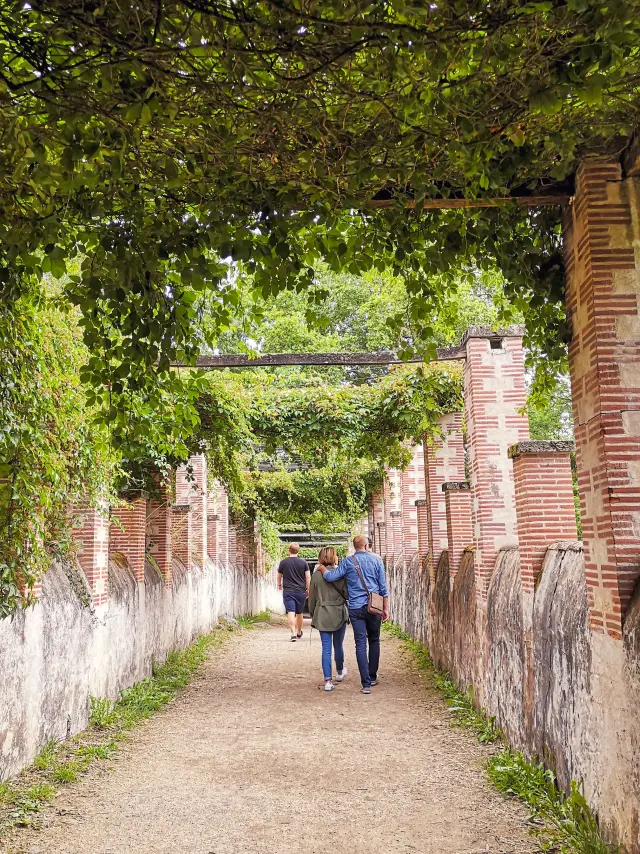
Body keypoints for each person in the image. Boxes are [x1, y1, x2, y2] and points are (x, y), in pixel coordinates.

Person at [317, 534, 389, 694]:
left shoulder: (348, 561)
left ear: (355, 546)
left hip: (356, 608)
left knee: (360, 644)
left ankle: (365, 684)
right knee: (375, 640)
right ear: (365, 545)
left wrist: (322, 569)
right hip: (374, 606)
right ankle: (372, 676)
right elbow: (383, 587)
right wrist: (386, 608)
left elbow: (331, 577)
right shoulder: (377, 560)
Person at [308, 547, 349, 692]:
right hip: (338, 613)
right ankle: (339, 672)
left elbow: (312, 597)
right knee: (338, 645)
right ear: (335, 558)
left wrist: (314, 613)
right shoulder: (341, 574)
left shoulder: (316, 576)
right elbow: (347, 594)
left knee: (326, 648)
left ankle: (327, 681)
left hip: (322, 613)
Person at [277, 543, 310, 641]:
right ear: (298, 551)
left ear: (289, 550)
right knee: (299, 613)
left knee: (291, 612)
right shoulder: (303, 563)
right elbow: (308, 577)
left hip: (288, 591)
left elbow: (279, 576)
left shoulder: (283, 562)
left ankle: (293, 633)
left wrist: (279, 585)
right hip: (300, 591)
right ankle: (299, 632)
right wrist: (308, 589)